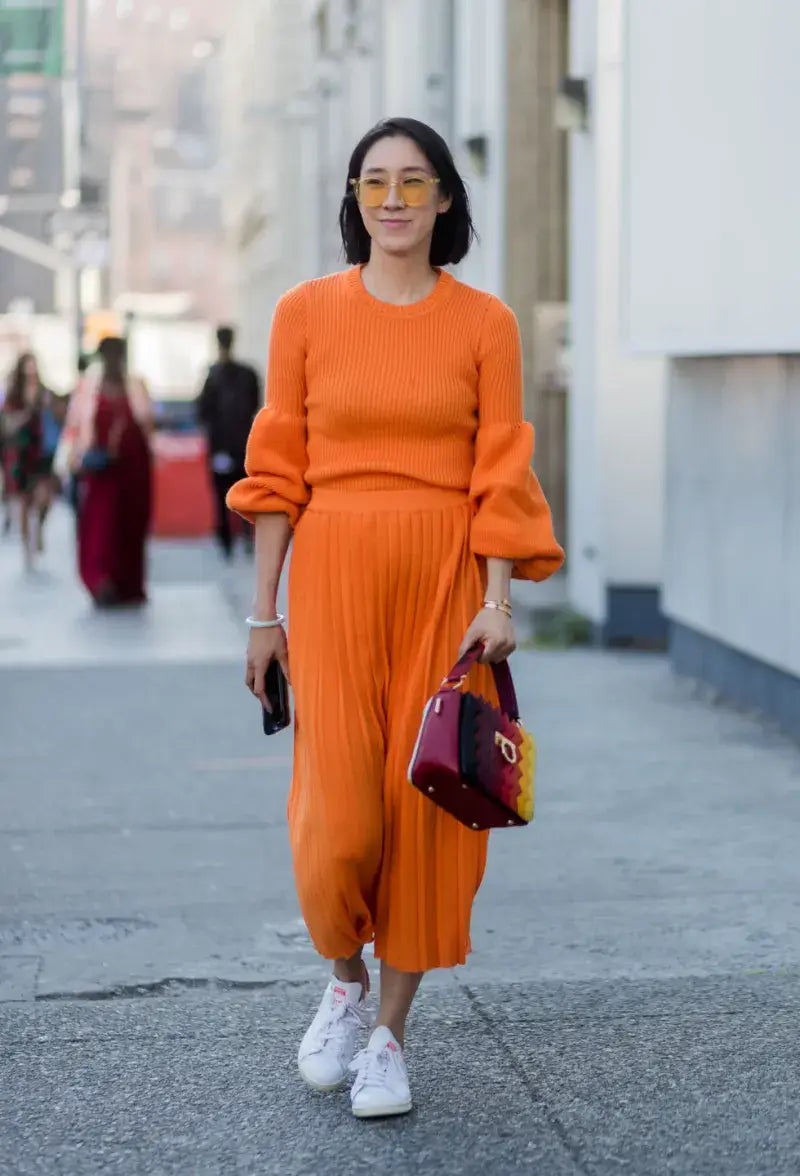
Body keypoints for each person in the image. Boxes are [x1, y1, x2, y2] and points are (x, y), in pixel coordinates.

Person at [227, 117, 565, 1119]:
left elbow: (498, 466)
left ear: (446, 199)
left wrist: (496, 599)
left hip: (441, 583)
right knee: (338, 819)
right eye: (374, 182)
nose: (392, 199)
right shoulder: (303, 314)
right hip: (329, 579)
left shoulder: (483, 324)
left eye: (413, 182)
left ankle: (389, 1035)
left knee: (423, 809)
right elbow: (276, 471)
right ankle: (342, 979)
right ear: (353, 198)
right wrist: (262, 616)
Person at [74, 336, 153, 606]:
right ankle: (100, 580)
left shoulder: (136, 385)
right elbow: (76, 426)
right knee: (100, 525)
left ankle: (128, 584)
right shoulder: (88, 387)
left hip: (133, 468)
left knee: (130, 525)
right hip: (101, 471)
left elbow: (147, 423)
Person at [196, 326, 259, 559]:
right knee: (242, 491)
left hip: (224, 444)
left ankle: (228, 538)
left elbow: (203, 411)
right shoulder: (245, 374)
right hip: (240, 443)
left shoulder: (214, 375)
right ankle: (242, 534)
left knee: (223, 492)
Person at [0, 352, 57, 566]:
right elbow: (6, 423)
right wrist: (24, 416)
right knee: (23, 500)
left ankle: (39, 529)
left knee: (45, 497)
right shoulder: (13, 396)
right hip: (19, 451)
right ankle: (27, 548)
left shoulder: (44, 392)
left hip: (41, 451)